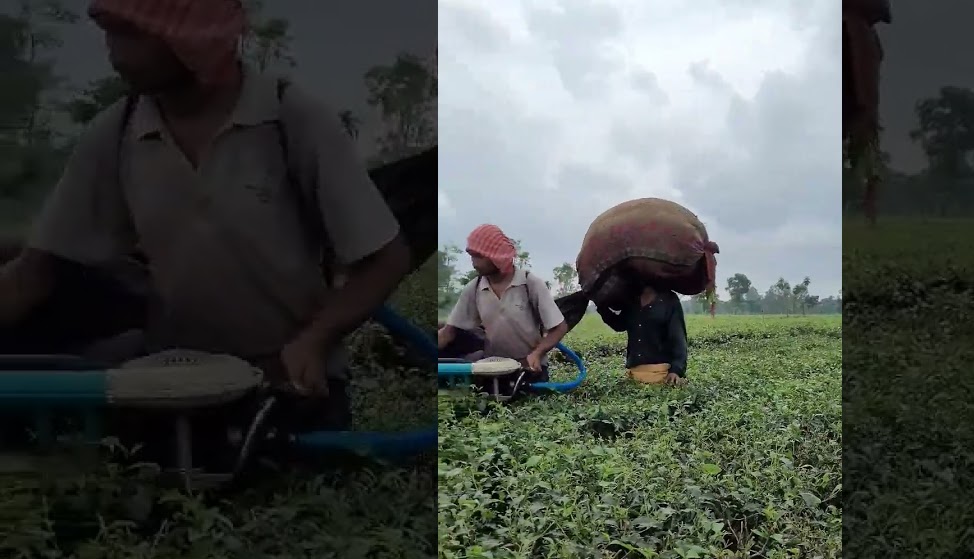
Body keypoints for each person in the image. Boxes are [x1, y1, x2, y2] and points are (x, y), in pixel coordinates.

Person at [0, 0, 413, 433]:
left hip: (286, 379)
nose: (115, 55)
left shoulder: (289, 120)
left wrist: (314, 341)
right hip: (174, 380)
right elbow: (35, 272)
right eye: (110, 35)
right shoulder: (117, 131)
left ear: (192, 41)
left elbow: (386, 259)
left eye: (131, 36)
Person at [438, 224, 569, 389]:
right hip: (492, 368)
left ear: (495, 256)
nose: (473, 263)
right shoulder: (474, 288)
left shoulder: (530, 284)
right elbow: (448, 333)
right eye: (471, 256)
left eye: (478, 257)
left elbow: (560, 327)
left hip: (528, 367)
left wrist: (537, 354)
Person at [600, 285, 688, 386]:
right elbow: (620, 324)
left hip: (662, 373)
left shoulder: (669, 300)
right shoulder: (632, 299)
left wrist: (676, 371)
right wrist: (602, 307)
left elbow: (678, 337)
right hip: (634, 375)